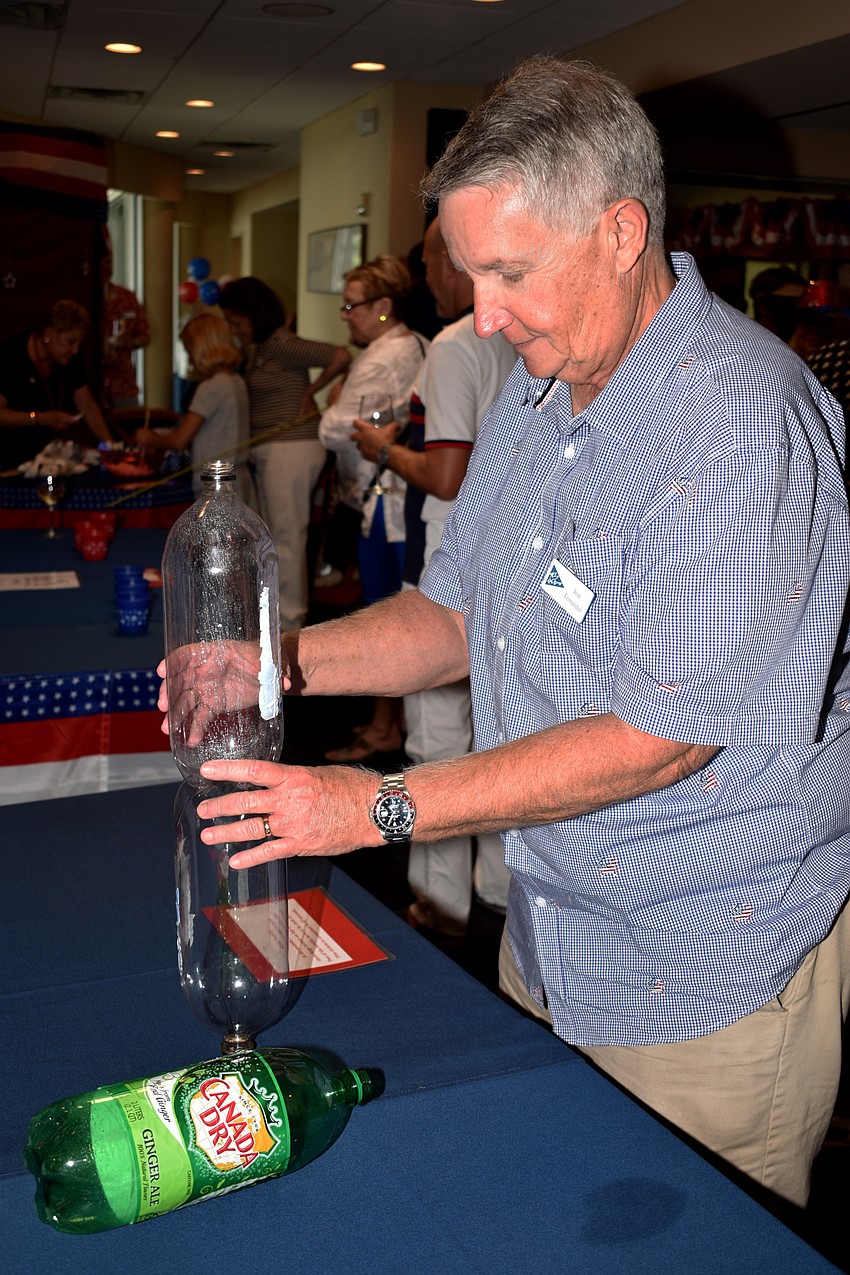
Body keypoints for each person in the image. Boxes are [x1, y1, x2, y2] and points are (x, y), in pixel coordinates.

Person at [161, 57, 850, 1212]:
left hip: (704, 974)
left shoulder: (741, 428)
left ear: (622, 232)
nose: (481, 312)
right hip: (551, 929)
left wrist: (374, 803)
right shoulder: (546, 386)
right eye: (473, 272)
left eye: (510, 272)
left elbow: (658, 740)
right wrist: (281, 660)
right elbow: (453, 613)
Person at [352, 217, 516, 937]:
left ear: (457, 261)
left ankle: (438, 899)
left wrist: (384, 451)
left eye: (428, 262)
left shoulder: (454, 344)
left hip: (454, 556)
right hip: (512, 553)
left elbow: (446, 472)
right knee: (504, 730)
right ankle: (499, 889)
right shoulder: (519, 330)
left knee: (438, 733)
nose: (427, 278)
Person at [318, 255, 428, 763]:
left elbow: (335, 428)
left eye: (352, 305)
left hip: (385, 502)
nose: (345, 314)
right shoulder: (413, 345)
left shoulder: (385, 356)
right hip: (388, 499)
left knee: (386, 615)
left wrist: (337, 406)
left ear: (383, 307)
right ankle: (391, 718)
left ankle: (387, 727)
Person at [219, 277, 351, 631]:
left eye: (236, 321)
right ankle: (282, 616)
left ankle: (292, 625)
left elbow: (340, 355)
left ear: (254, 314)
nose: (234, 330)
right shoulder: (262, 348)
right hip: (275, 450)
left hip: (291, 447)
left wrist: (313, 393)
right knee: (278, 536)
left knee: (288, 539)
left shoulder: (280, 343)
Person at [135, 313, 251, 499]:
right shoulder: (236, 381)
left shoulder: (211, 386)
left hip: (216, 484)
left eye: (188, 349)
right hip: (239, 476)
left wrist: (149, 438)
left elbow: (179, 441)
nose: (189, 357)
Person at [0, 299, 113, 469]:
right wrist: (39, 418)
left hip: (48, 460)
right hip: (10, 463)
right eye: (70, 342)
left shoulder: (69, 359)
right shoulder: (11, 357)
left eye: (79, 343)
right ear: (48, 334)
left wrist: (111, 447)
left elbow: (87, 405)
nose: (75, 350)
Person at [100, 235, 151, 409]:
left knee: (130, 431)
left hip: (124, 385)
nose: (107, 266)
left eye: (109, 260)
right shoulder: (83, 299)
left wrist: (130, 342)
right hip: (92, 388)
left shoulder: (126, 297)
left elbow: (145, 335)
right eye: (103, 260)